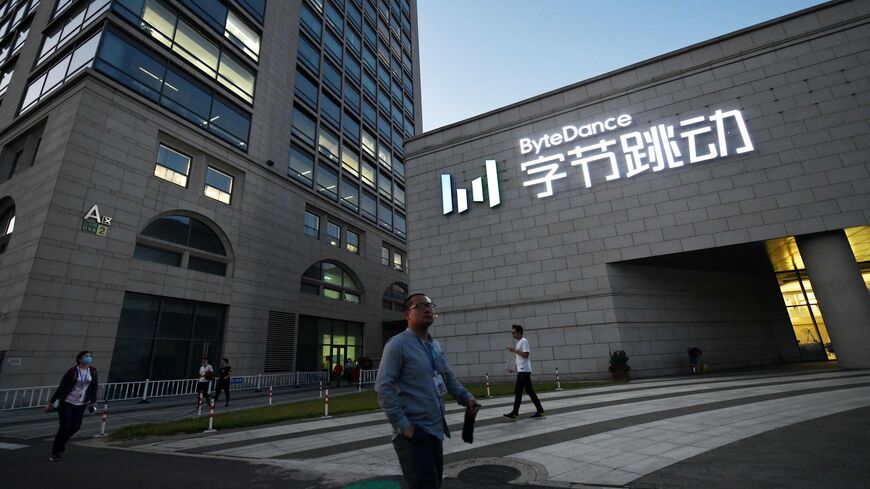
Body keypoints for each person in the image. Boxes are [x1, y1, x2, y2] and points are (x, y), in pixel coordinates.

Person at [376, 293, 481, 489]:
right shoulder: (397, 345)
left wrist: (465, 398)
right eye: (420, 306)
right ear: (407, 314)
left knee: (434, 483)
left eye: (430, 305)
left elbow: (447, 377)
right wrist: (405, 427)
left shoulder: (435, 345)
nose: (428, 309)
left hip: (435, 430)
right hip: (413, 433)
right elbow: (383, 387)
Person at [45, 350, 99, 462]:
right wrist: (51, 402)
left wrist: (93, 401)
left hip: (81, 403)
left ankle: (62, 443)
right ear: (79, 359)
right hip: (67, 402)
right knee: (65, 426)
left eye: (90, 356)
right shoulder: (73, 371)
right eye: (86, 356)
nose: (89, 358)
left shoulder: (93, 371)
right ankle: (55, 452)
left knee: (76, 426)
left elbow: (94, 387)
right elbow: (62, 387)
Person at [504, 324, 545, 419]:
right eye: (512, 332)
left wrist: (514, 350)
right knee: (529, 391)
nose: (512, 334)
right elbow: (520, 358)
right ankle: (540, 411)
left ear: (519, 332)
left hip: (524, 371)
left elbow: (526, 355)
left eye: (513, 332)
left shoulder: (524, 341)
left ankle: (515, 413)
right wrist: (513, 368)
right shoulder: (519, 342)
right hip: (521, 370)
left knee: (518, 391)